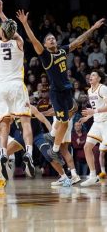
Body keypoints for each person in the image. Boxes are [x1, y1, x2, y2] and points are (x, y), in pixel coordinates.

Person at [16, 10, 104, 170]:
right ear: (45, 45)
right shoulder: (45, 55)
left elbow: (78, 41)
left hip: (67, 91)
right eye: (48, 39)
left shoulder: (62, 50)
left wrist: (93, 28)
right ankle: (54, 148)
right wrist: (24, 23)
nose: (51, 39)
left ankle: (51, 139)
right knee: (63, 121)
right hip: (56, 93)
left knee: (70, 115)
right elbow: (34, 40)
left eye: (53, 38)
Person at [0, 0, 35, 179]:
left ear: (1, 32)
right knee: (25, 122)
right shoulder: (19, 43)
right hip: (17, 85)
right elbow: (13, 29)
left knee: (5, 124)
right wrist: (3, 15)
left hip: (2, 89)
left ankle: (2, 152)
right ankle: (29, 153)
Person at [79, 70, 107, 186]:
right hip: (97, 122)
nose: (91, 77)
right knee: (87, 147)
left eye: (94, 75)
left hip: (106, 122)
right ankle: (92, 176)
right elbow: (95, 108)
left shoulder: (103, 88)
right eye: (90, 75)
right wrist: (88, 117)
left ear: (99, 78)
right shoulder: (89, 91)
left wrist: (93, 111)